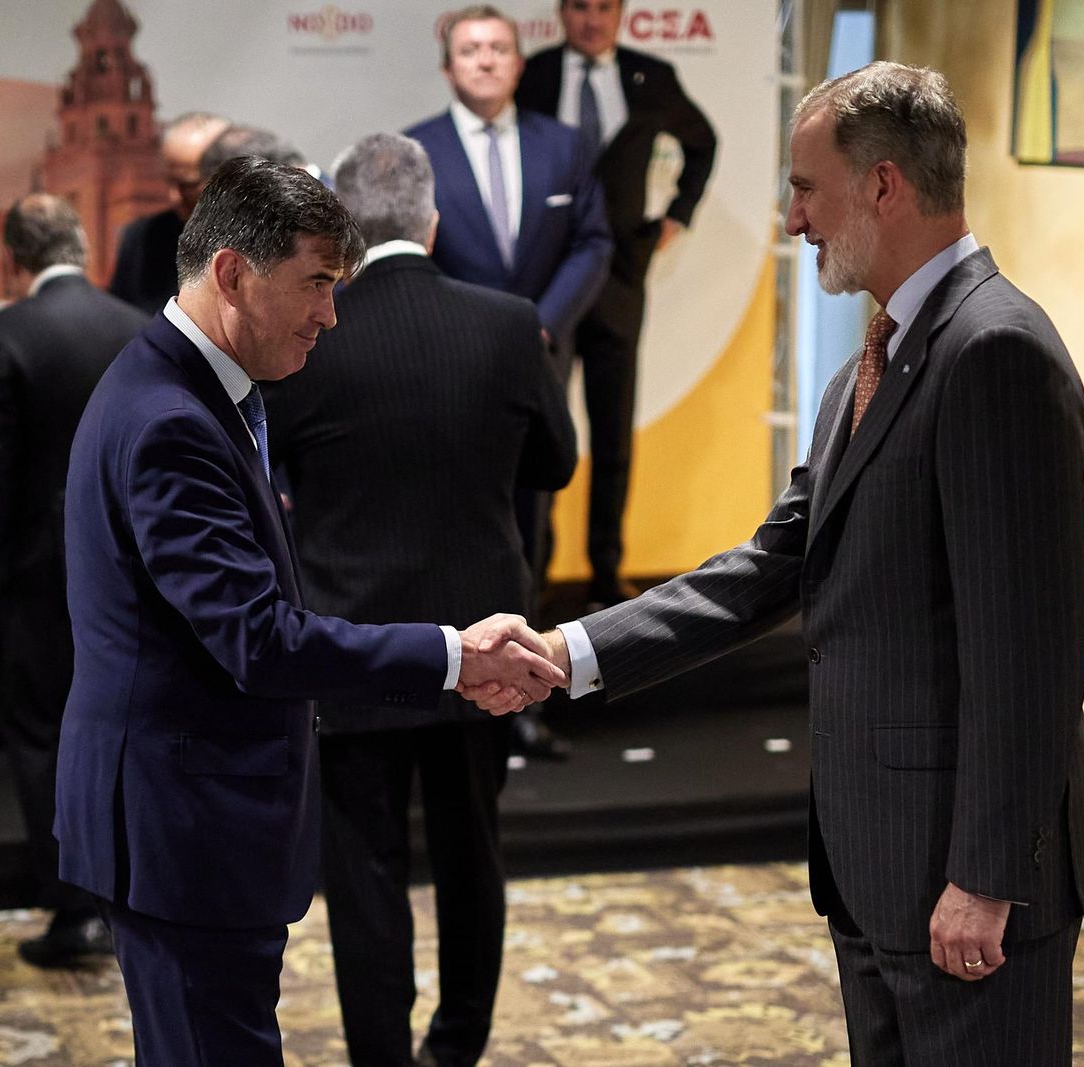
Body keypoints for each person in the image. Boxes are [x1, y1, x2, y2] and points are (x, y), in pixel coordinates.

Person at [521, 63, 1084, 1065]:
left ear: (883, 184)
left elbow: (1030, 653)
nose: (791, 218)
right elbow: (770, 566)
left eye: (805, 189)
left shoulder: (995, 353)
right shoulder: (869, 363)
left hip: (963, 881)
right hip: (879, 865)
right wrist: (565, 649)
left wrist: (984, 876)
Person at [55, 155, 564, 1065]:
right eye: (318, 284)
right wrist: (452, 653)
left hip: (184, 821)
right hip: (185, 826)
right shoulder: (173, 418)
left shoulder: (187, 388)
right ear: (231, 274)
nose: (332, 313)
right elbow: (256, 640)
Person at [262, 133, 576, 1067]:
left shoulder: (310, 335)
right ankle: (458, 1047)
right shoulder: (507, 320)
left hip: (353, 648)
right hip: (488, 645)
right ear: (436, 220)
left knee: (362, 873)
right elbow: (555, 462)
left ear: (344, 233)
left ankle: (381, 1060)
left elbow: (272, 477)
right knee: (473, 852)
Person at [406, 3, 610, 759]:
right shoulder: (416, 152)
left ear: (521, 62)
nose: (486, 60)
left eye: (498, 48)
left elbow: (594, 242)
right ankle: (458, 688)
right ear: (449, 65)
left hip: (535, 370)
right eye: (471, 49)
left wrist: (540, 323)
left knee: (531, 530)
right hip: (447, 379)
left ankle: (524, 697)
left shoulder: (565, 146)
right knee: (455, 531)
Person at [0, 194, 147, 966]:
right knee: (128, 733)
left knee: (44, 733)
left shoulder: (1, 335)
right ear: (82, 243)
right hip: (133, 568)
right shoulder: (137, 326)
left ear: (16, 258)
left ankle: (72, 908)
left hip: (40, 575)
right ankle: (130, 899)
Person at [516, 0, 717, 609]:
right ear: (561, 13)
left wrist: (675, 217)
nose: (591, 19)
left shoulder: (651, 76)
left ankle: (607, 569)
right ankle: (534, 567)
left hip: (622, 278)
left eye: (604, 7)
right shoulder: (535, 73)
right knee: (543, 429)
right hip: (548, 278)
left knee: (612, 432)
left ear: (621, 13)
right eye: (580, 7)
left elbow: (702, 141)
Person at [108, 110, 229, 315]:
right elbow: (122, 320)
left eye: (187, 185)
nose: (173, 197)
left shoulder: (265, 238)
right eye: (169, 181)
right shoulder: (141, 238)